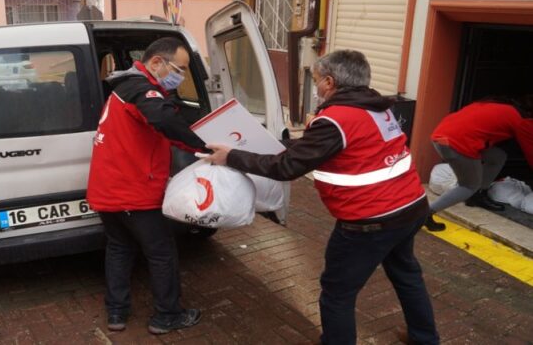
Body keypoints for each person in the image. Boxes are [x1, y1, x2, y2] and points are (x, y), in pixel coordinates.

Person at [204, 50, 439, 345]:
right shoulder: (378, 107)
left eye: (316, 81)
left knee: (337, 292)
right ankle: (425, 338)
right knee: (406, 274)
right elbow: (318, 146)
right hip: (410, 208)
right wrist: (268, 143)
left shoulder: (335, 118)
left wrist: (233, 157)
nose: (315, 87)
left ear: (329, 82)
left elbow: (287, 167)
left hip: (368, 222)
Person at [86, 37, 204, 335]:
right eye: (180, 68)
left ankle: (116, 311)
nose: (182, 75)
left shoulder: (122, 89)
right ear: (156, 63)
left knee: (119, 248)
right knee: (162, 252)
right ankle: (167, 315)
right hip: (134, 194)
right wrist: (203, 146)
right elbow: (163, 119)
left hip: (106, 192)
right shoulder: (143, 90)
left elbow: (158, 124)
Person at [424, 96, 533, 232]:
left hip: (441, 136)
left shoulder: (495, 103)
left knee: (497, 156)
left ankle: (477, 195)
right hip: (458, 143)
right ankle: (425, 214)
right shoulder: (523, 121)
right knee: (468, 186)